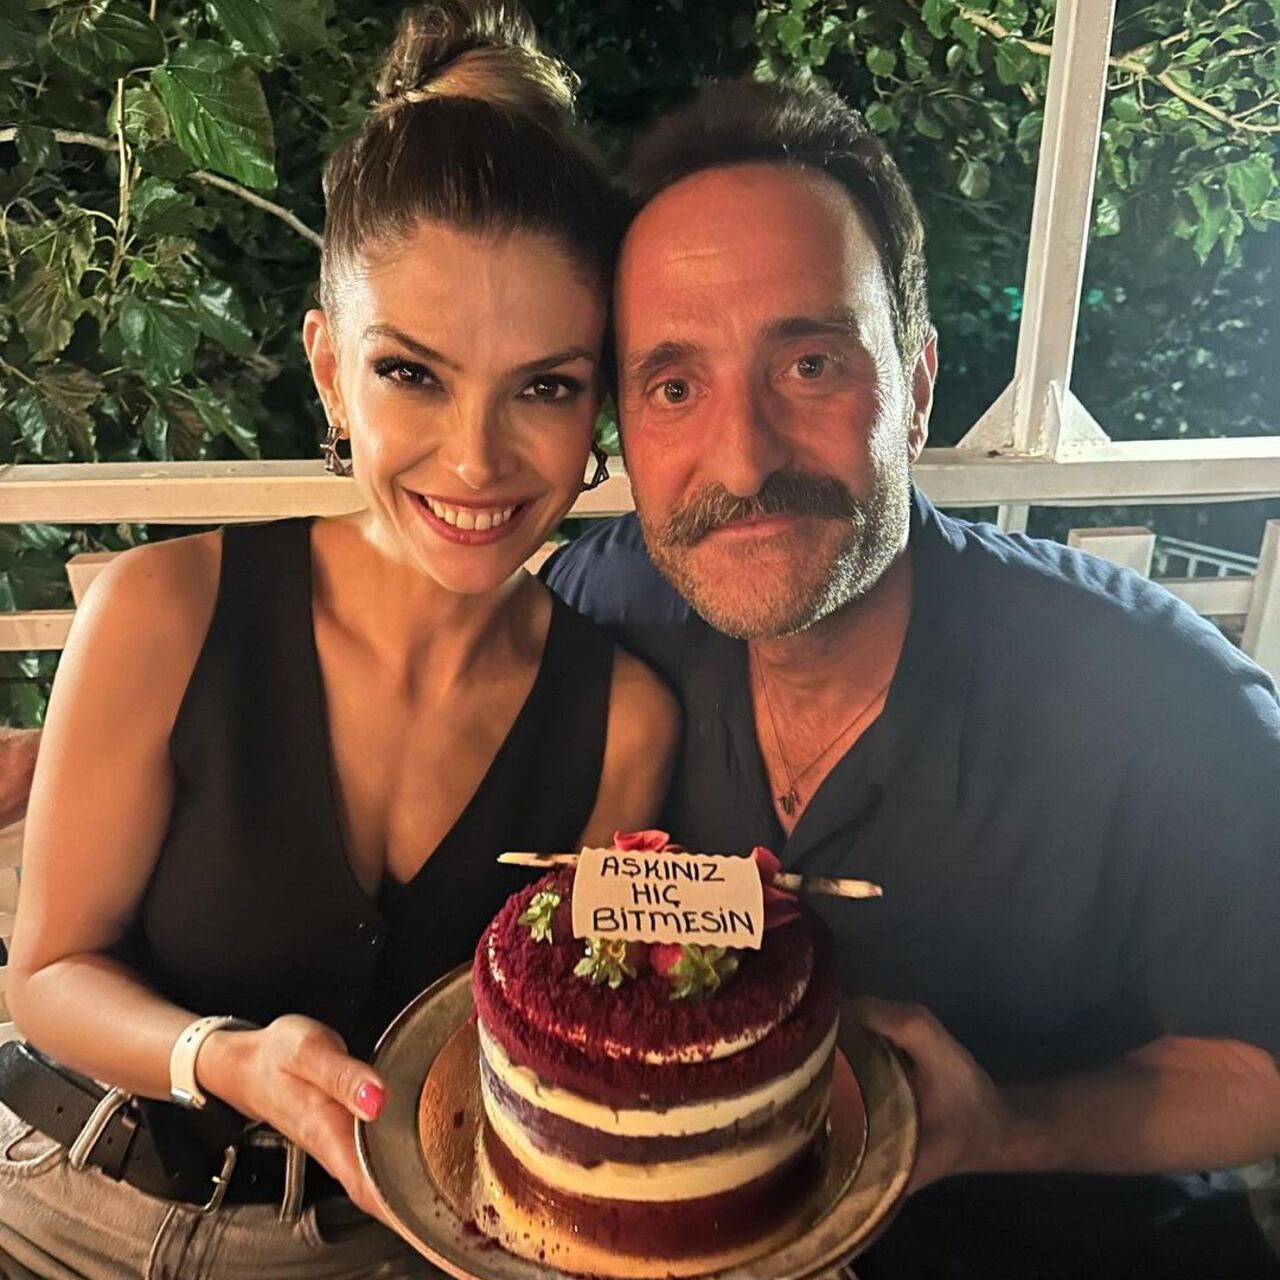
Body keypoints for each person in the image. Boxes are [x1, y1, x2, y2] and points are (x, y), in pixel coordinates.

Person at [545, 79, 1280, 1279]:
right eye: (674, 386)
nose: (743, 457)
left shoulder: (1160, 704)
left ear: (918, 385)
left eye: (810, 364)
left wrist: (1009, 1124)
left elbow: (1262, 1062)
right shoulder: (600, 612)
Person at [0, 3, 677, 1276]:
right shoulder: (160, 610)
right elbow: (46, 972)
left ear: (599, 400)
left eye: (543, 386)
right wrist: (224, 1056)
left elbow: (556, 1042)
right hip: (60, 1195)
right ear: (328, 369)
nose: (474, 459)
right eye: (411, 372)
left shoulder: (623, 722)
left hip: (368, 1244)